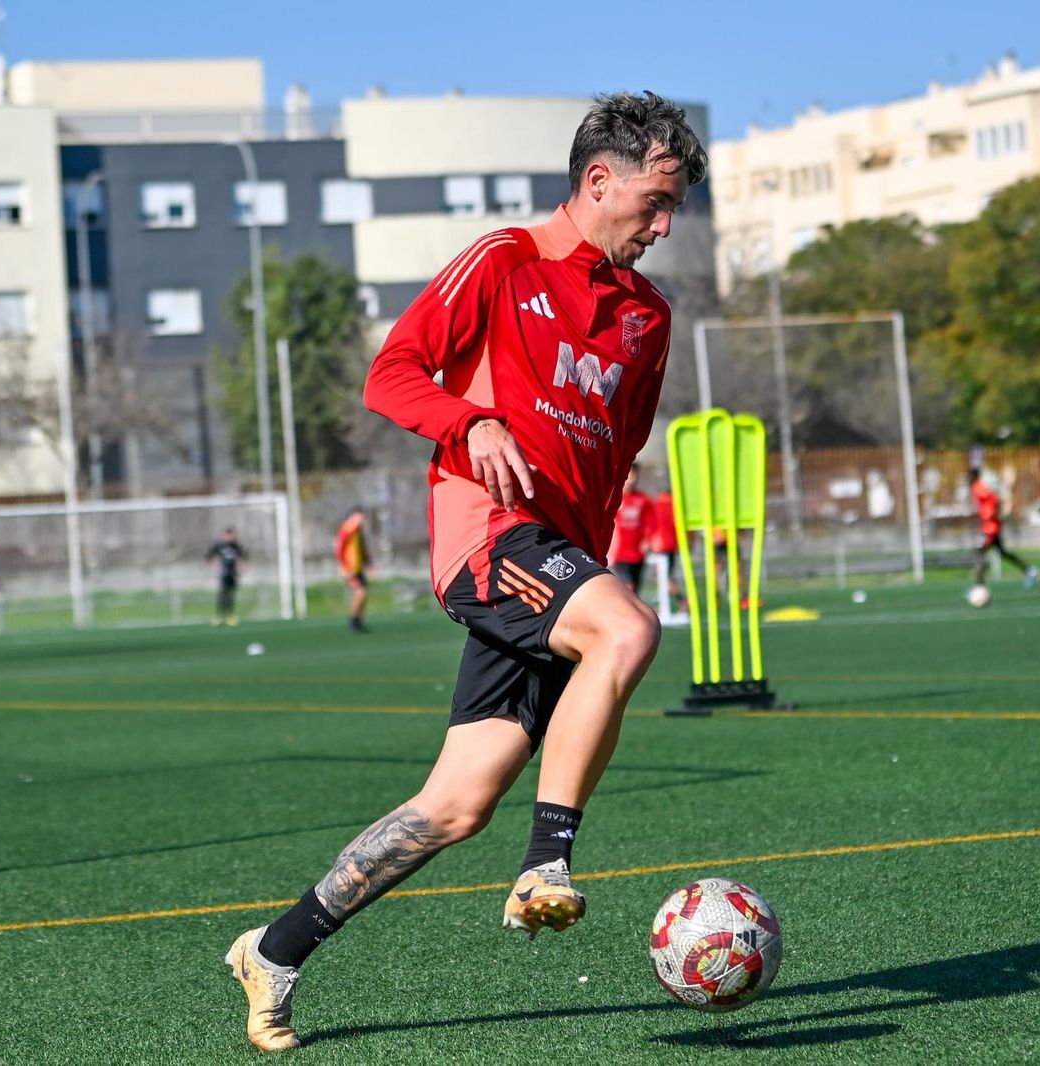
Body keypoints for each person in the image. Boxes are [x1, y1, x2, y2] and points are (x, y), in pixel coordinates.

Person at [226, 91, 706, 1051]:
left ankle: (274, 952)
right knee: (632, 628)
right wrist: (470, 420)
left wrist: (591, 567)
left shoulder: (648, 317)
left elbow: (613, 460)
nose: (663, 226)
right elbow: (391, 372)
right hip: (489, 539)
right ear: (596, 179)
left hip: (564, 561)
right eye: (654, 202)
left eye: (675, 210)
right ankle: (549, 866)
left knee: (456, 801)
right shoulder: (505, 261)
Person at [971, 468, 1037, 589]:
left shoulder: (981, 489)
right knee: (1002, 553)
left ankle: (979, 585)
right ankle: (1028, 569)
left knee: (979, 551)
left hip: (990, 529)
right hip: (990, 527)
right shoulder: (983, 489)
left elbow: (994, 502)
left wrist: (993, 514)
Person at [607, 466, 651, 594]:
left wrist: (648, 539)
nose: (632, 479)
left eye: (634, 476)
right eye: (629, 476)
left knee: (635, 590)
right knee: (627, 588)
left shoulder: (643, 499)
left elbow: (649, 522)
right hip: (620, 554)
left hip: (638, 553)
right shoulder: (613, 498)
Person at [646, 485, 686, 613]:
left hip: (660, 544)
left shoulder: (656, 505)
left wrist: (650, 540)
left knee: (665, 577)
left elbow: (651, 524)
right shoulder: (676, 505)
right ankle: (668, 604)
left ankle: (680, 601)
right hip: (672, 544)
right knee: (667, 575)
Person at [334, 508, 370, 632]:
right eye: (360, 516)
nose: (362, 519)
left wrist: (368, 563)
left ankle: (358, 620)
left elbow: (362, 549)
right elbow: (339, 550)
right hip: (350, 569)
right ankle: (354, 620)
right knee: (360, 593)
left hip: (358, 568)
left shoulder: (357, 531)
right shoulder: (347, 530)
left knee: (363, 593)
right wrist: (345, 567)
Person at [207, 528, 246, 626]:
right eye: (228, 535)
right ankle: (218, 616)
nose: (230, 537)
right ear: (225, 536)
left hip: (233, 574)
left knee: (231, 595)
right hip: (223, 573)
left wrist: (241, 565)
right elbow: (209, 556)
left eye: (231, 535)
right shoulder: (220, 546)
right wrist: (212, 565)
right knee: (222, 595)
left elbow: (244, 557)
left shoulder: (236, 546)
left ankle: (231, 616)